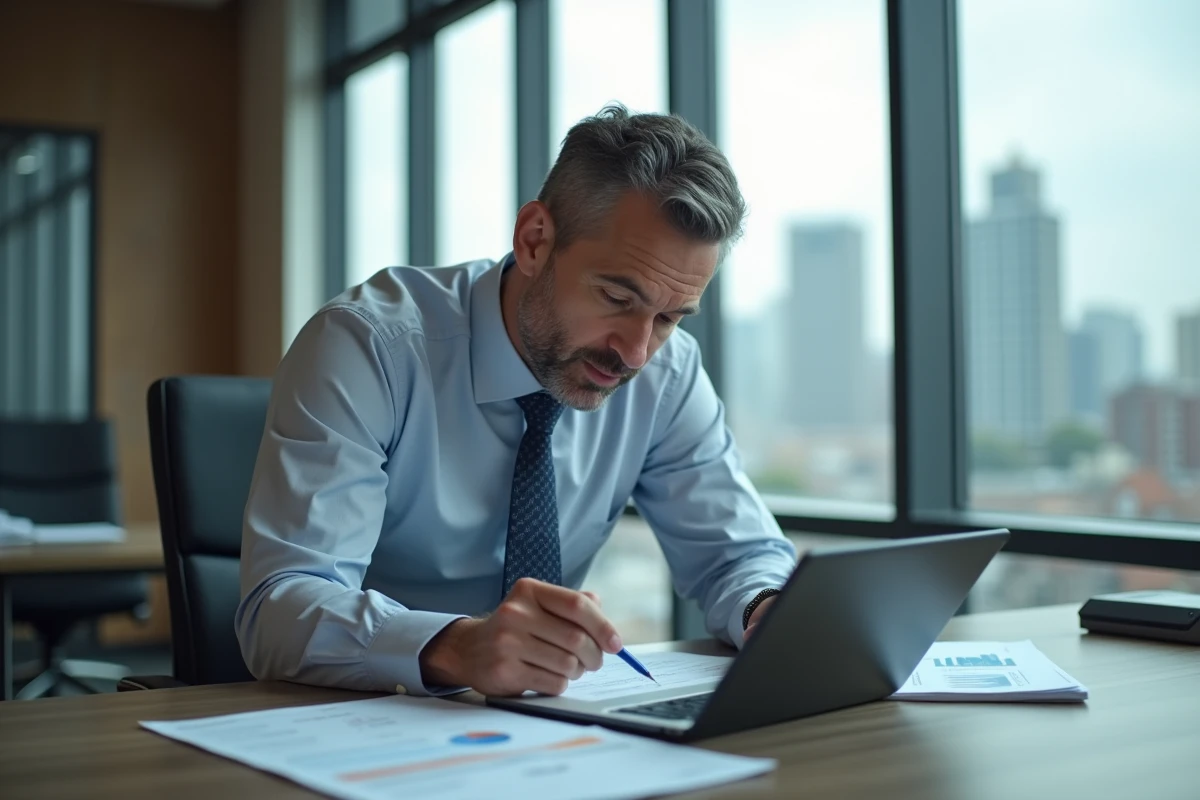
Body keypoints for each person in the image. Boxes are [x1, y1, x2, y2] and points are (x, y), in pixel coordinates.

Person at [235, 104, 797, 699]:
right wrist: (456, 646)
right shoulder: (370, 347)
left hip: (547, 731)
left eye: (668, 318)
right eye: (615, 297)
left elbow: (739, 553)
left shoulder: (669, 373)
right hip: (356, 721)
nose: (636, 352)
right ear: (535, 241)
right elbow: (278, 609)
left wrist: (765, 606)